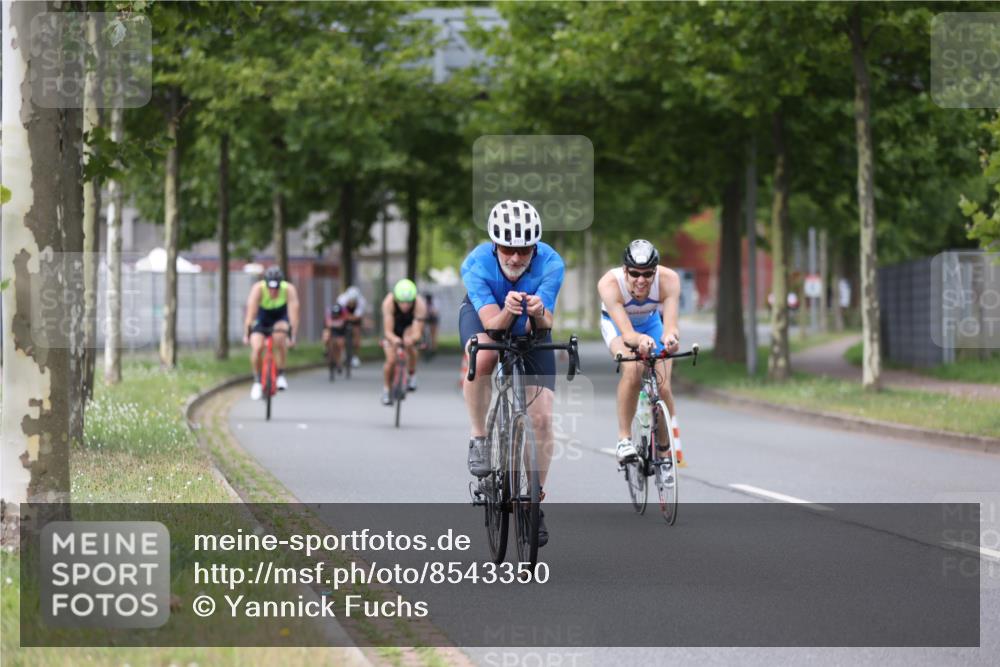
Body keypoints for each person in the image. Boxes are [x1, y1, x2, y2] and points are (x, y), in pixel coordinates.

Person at [460, 199, 564, 547]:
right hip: (487, 315)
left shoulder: (551, 263)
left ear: (534, 247)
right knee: (485, 356)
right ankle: (479, 436)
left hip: (530, 327)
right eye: (507, 248)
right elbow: (492, 324)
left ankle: (533, 500)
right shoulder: (476, 264)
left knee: (543, 418)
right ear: (495, 245)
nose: (516, 258)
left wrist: (537, 313)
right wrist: (508, 311)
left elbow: (546, 322)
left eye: (523, 250)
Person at [597, 240, 682, 464]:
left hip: (651, 322)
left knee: (663, 387)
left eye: (647, 274)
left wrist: (671, 339)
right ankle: (624, 439)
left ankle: (664, 450)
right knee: (634, 368)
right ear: (625, 270)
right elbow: (627, 335)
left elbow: (670, 326)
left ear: (655, 271)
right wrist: (640, 340)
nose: (641, 280)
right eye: (634, 273)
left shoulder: (669, 279)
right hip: (618, 326)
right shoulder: (609, 284)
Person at [244, 266, 300, 400]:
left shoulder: (289, 289)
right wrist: (247, 334)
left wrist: (292, 336)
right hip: (262, 318)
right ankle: (257, 381)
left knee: (280, 338)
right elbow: (251, 313)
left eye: (276, 288)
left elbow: (294, 314)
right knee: (257, 347)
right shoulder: (258, 289)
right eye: (271, 288)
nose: (273, 291)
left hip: (280, 317)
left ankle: (280, 374)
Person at [380, 279, 427, 405]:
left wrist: (412, 340)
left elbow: (417, 332)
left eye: (408, 302)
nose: (405, 306)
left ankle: (412, 375)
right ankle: (386, 389)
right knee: (390, 360)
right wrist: (394, 339)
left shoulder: (420, 304)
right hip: (394, 328)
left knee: (411, 346)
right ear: (396, 299)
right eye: (401, 302)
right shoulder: (388, 302)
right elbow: (387, 331)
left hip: (409, 327)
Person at [337, 285, 366, 368]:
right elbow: (340, 314)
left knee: (356, 334)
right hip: (344, 317)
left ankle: (355, 356)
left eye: (354, 302)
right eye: (351, 301)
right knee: (340, 334)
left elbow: (357, 317)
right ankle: (343, 353)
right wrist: (346, 317)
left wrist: (348, 317)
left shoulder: (361, 302)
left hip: (355, 319)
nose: (352, 303)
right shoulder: (341, 300)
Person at [323, 303, 350, 372]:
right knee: (326, 334)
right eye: (334, 314)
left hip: (341, 333)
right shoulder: (329, 315)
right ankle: (326, 349)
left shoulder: (344, 316)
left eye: (337, 314)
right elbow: (327, 326)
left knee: (339, 344)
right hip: (332, 332)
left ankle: (339, 363)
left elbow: (344, 328)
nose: (336, 316)